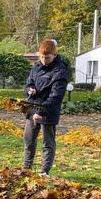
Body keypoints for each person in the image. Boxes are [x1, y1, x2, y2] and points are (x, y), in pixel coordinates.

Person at [23, 39, 69, 177]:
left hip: (48, 110)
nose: (44, 60)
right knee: (28, 140)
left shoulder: (60, 70)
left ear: (54, 55)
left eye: (47, 57)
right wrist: (30, 89)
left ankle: (44, 171)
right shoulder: (36, 67)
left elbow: (56, 96)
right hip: (33, 108)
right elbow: (28, 83)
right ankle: (26, 168)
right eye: (41, 57)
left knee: (47, 143)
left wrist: (41, 112)